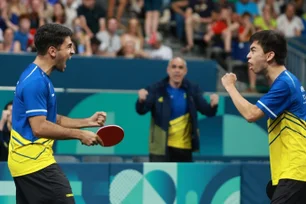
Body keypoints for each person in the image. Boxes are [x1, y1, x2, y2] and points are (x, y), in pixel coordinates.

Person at [8, 23, 107, 204]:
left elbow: (52, 119)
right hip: (35, 163)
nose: (73, 52)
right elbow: (39, 127)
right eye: (69, 46)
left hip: (27, 163)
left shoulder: (39, 78)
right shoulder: (35, 82)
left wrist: (87, 122)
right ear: (53, 51)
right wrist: (80, 135)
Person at [221, 30, 306, 203]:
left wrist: (230, 87)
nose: (247, 56)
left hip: (296, 171)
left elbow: (251, 114)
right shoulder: (287, 82)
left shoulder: (285, 84)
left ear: (269, 56)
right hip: (290, 172)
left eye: (253, 50)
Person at [136, 57, 219, 162]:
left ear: (185, 71)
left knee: (184, 178)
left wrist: (213, 105)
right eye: (174, 67)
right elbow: (141, 110)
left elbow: (207, 111)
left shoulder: (192, 89)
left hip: (184, 147)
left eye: (180, 67)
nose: (177, 70)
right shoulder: (156, 89)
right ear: (168, 70)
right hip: (160, 147)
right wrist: (141, 100)